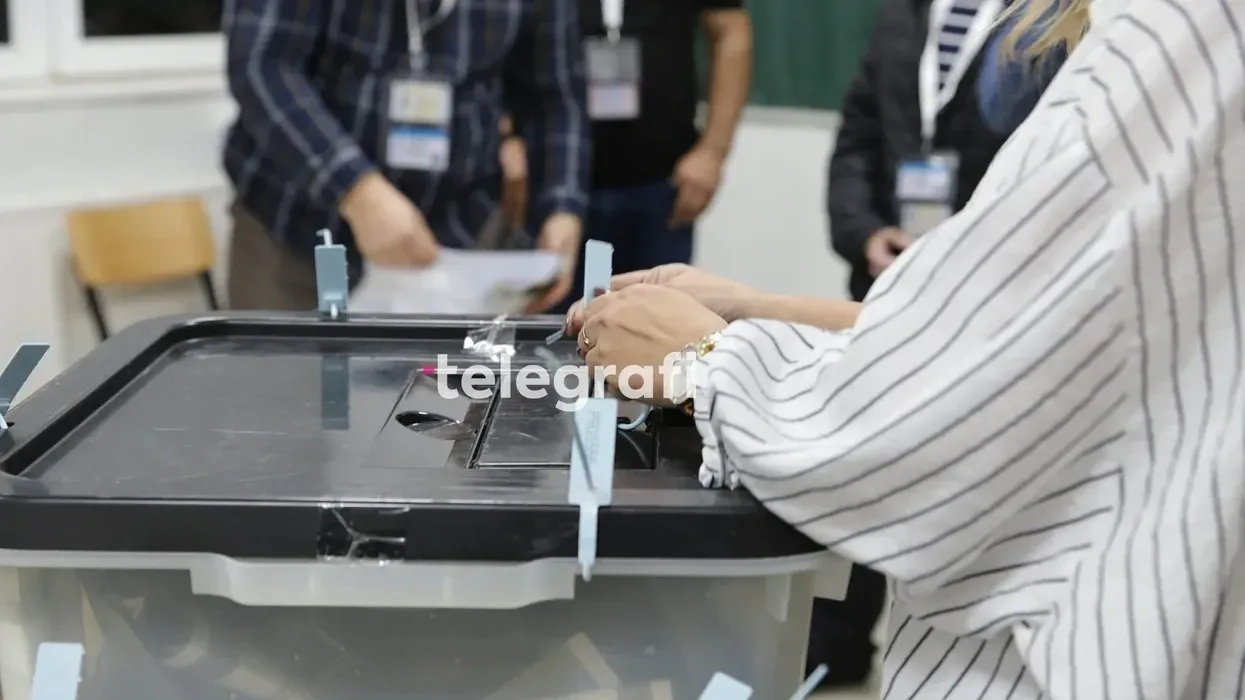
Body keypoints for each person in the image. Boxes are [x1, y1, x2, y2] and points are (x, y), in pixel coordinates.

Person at [568, 0, 1245, 697]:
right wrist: (759, 307)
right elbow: (1035, 330)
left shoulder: (1179, 32)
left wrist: (703, 360)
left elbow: (920, 431)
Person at [819, 0, 1011, 686]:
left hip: (989, 296)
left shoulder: (1050, 19)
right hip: (884, 282)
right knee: (864, 454)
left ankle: (954, 655)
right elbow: (857, 136)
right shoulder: (903, 11)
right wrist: (863, 232)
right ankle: (839, 646)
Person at [222, 0, 589, 312]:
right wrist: (357, 191)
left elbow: (555, 95)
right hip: (301, 234)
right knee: (291, 374)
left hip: (458, 238)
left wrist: (562, 207)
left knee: (452, 377)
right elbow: (262, 65)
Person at [541, 0, 751, 314]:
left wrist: (712, 151)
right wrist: (508, 136)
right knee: (558, 326)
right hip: (555, 185)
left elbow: (730, 31)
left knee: (656, 324)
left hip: (661, 183)